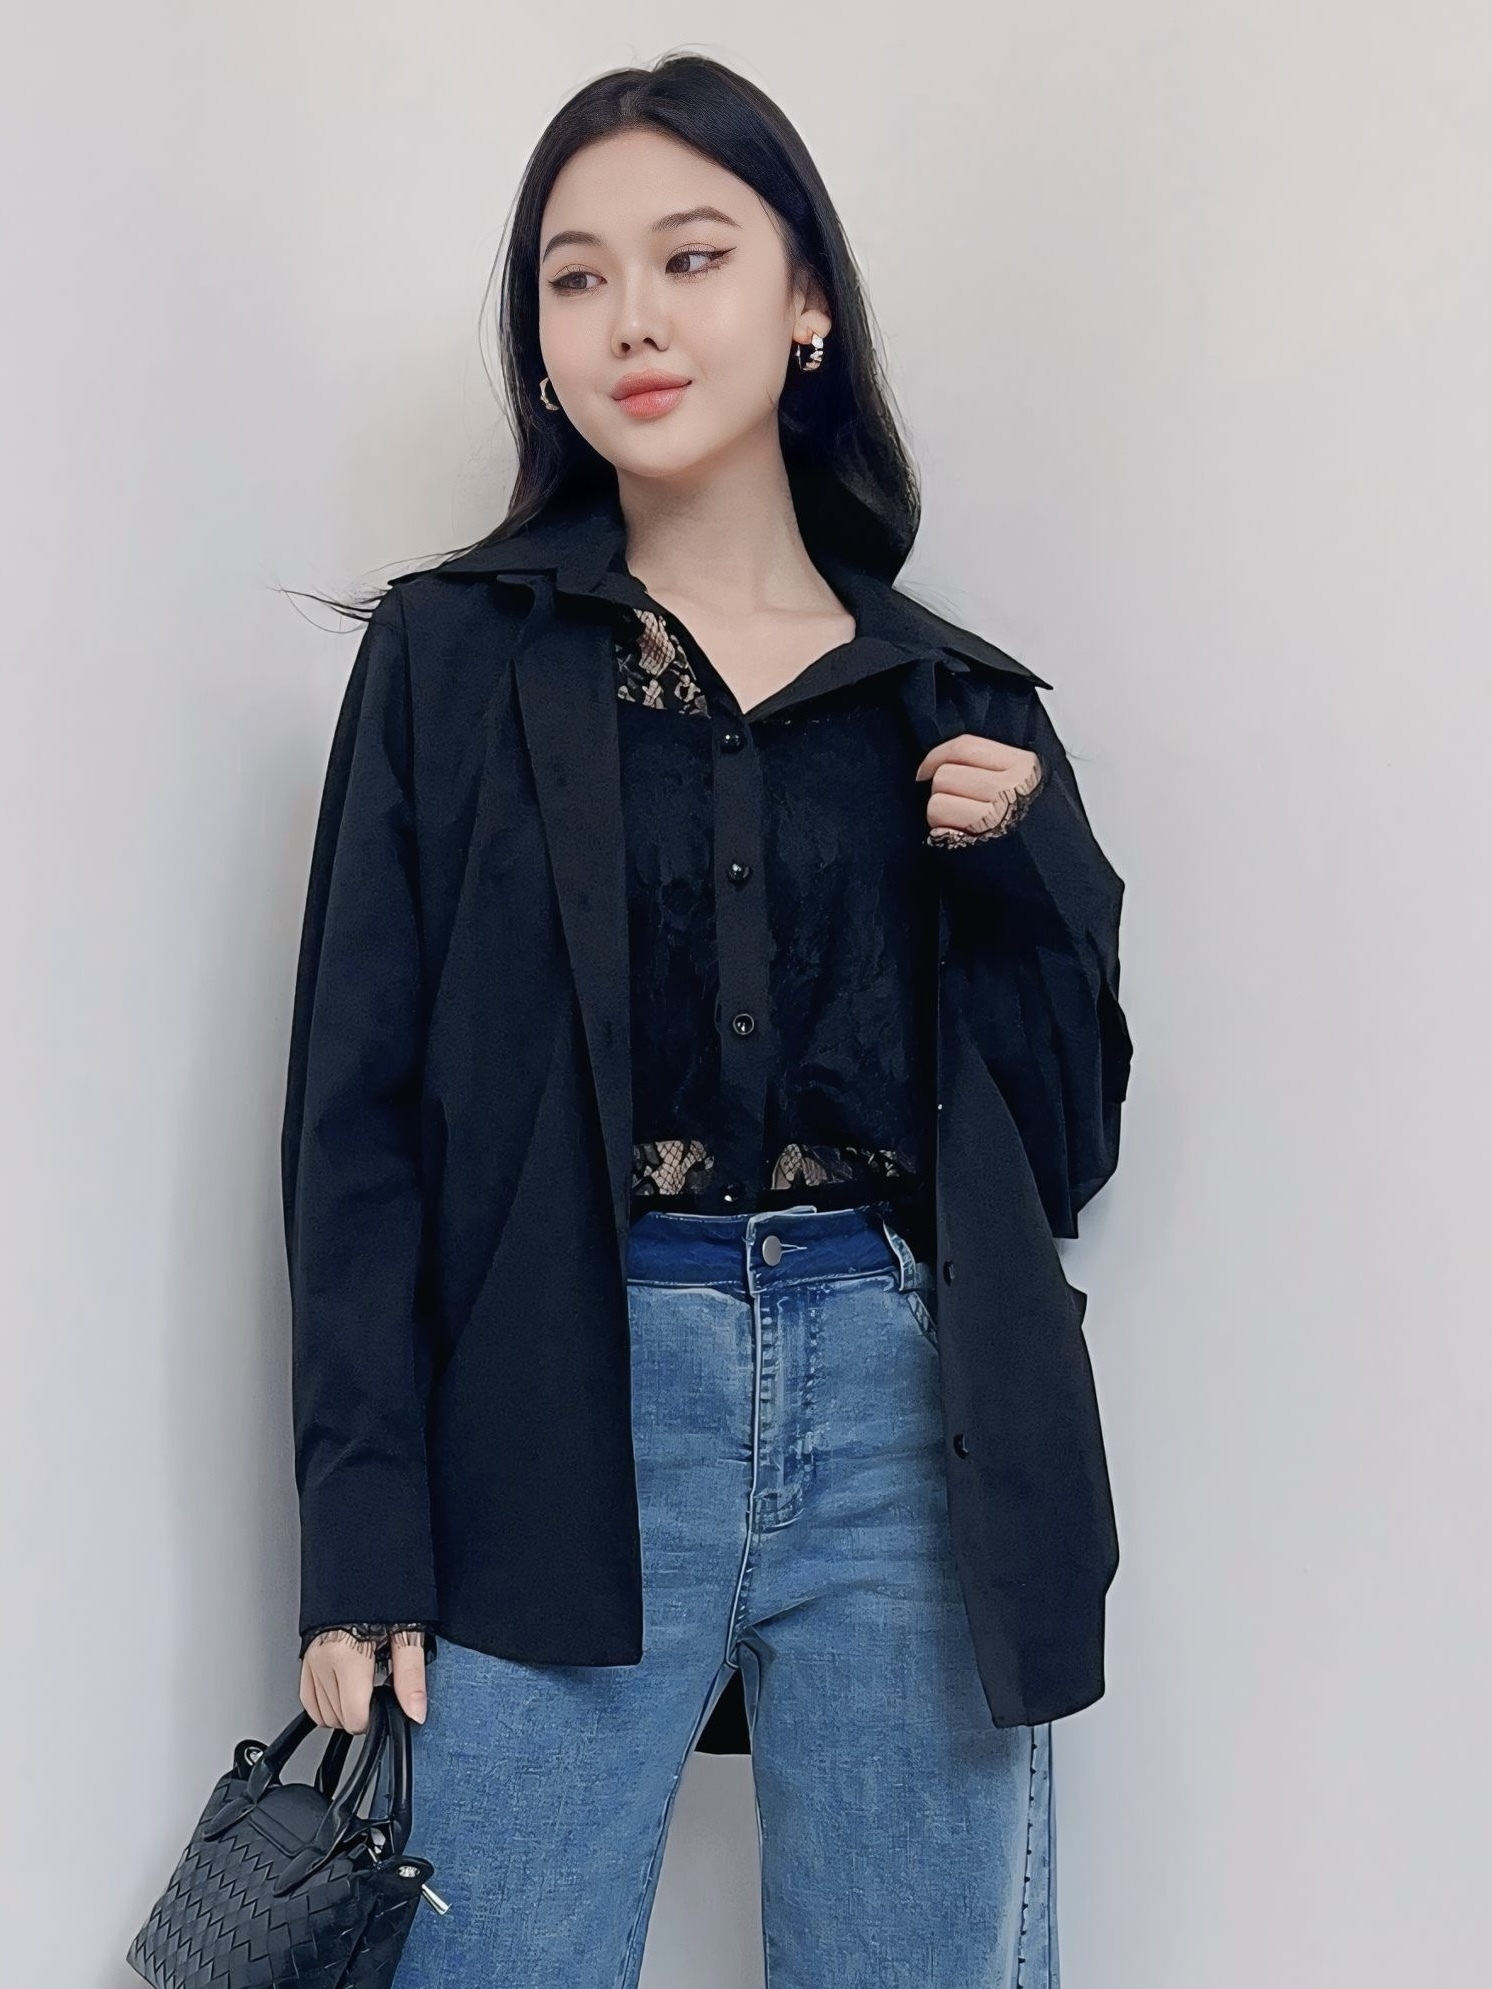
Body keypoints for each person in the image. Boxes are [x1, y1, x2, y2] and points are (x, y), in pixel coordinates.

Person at [282, 50, 1133, 1989]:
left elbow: (1067, 1151)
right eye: (574, 277)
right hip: (561, 1398)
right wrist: (361, 1539)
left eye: (690, 257)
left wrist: (1024, 875)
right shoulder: (449, 661)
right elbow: (355, 1124)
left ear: (804, 298)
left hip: (907, 1416)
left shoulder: (958, 701)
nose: (632, 320)